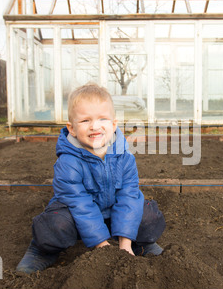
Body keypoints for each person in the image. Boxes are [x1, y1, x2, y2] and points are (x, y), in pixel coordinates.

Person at [16, 83, 166, 274]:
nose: (95, 126)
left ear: (113, 125)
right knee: (54, 225)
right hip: (76, 215)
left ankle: (140, 244)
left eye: (102, 119)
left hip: (112, 213)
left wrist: (125, 244)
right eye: (85, 121)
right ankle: (43, 251)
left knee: (147, 215)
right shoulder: (68, 162)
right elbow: (81, 205)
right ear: (71, 128)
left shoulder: (125, 156)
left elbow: (129, 195)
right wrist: (102, 246)